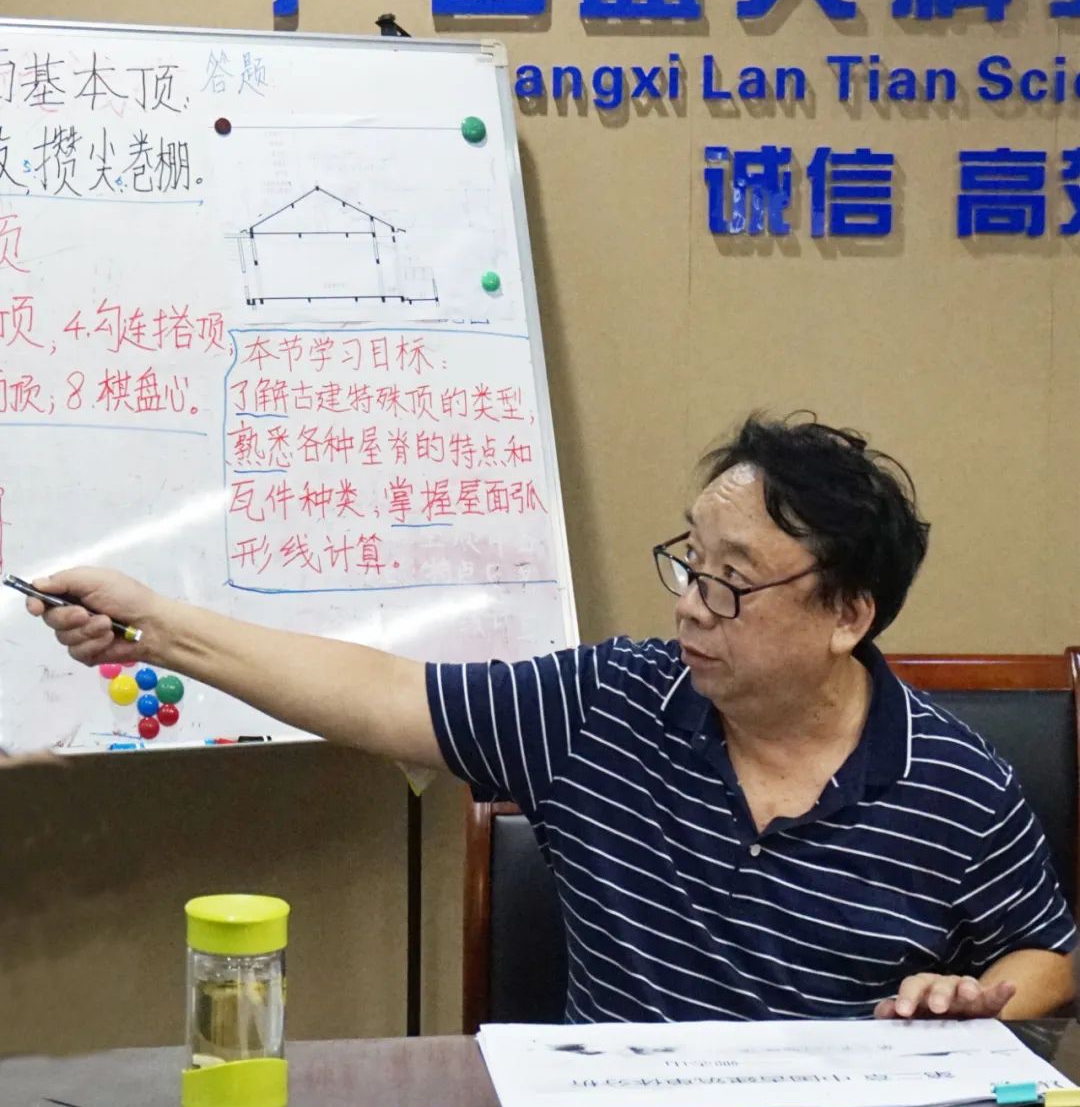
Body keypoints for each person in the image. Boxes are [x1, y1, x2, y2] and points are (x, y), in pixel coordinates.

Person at [25, 414, 1076, 1023]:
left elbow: (1048, 958)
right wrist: (154, 628)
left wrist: (978, 1002)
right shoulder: (606, 704)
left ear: (848, 614)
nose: (689, 605)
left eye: (731, 582)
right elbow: (383, 695)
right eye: (690, 564)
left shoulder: (955, 781)